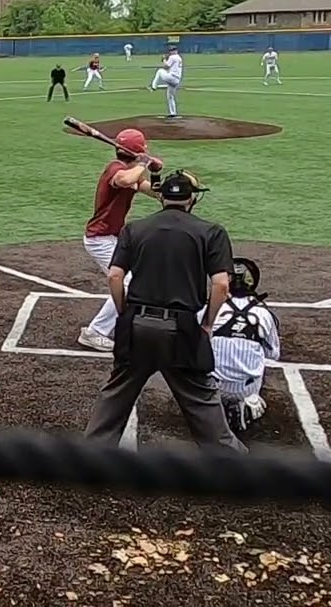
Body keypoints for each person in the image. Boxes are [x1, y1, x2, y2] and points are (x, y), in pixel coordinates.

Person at [83, 170, 246, 453]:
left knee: (116, 393)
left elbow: (114, 277)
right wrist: (207, 324)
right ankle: (232, 463)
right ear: (192, 199)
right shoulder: (211, 232)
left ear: (162, 198)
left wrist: (124, 313)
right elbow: (221, 285)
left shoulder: (135, 229)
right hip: (181, 330)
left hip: (136, 326)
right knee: (200, 398)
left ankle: (90, 457)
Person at [77, 128, 161, 352]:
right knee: (127, 282)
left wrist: (155, 172)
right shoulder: (117, 170)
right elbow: (124, 180)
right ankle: (96, 332)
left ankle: (130, 319)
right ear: (137, 151)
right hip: (100, 239)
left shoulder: (130, 171)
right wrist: (143, 163)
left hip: (113, 237)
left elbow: (153, 191)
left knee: (139, 275)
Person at [208, 257, 281, 434]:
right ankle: (247, 403)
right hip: (247, 388)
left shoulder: (209, 308)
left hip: (212, 387)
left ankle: (212, 409)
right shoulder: (263, 314)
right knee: (260, 357)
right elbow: (273, 354)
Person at [149, 44, 183, 118]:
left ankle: (153, 87)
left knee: (160, 71)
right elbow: (170, 67)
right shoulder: (179, 58)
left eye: (173, 50)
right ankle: (173, 113)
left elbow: (166, 66)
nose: (171, 51)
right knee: (170, 96)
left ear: (176, 51)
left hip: (171, 78)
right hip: (176, 80)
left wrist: (164, 60)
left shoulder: (172, 57)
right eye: (171, 50)